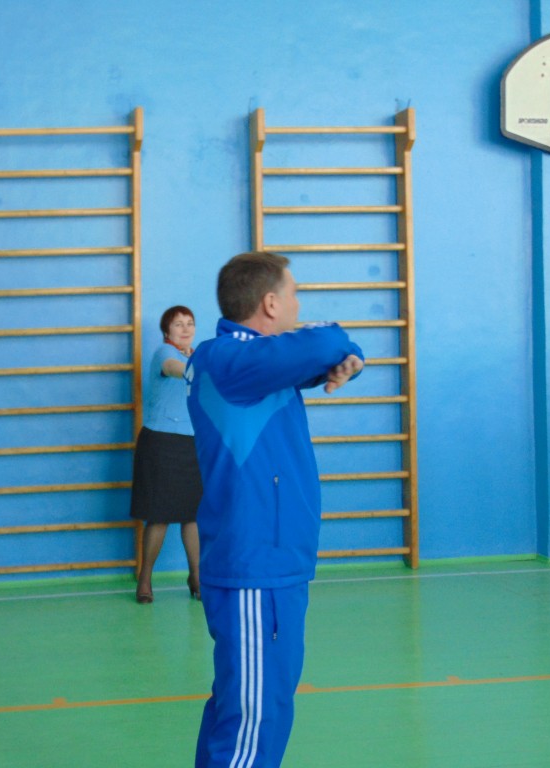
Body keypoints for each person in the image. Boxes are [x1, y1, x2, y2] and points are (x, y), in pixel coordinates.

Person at [186, 252, 364, 767]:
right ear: (269, 303)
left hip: (270, 566)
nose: (298, 305)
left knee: (245, 710)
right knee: (253, 723)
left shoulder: (254, 366)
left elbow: (333, 352)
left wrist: (351, 358)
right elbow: (327, 342)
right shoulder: (229, 360)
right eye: (293, 294)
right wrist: (341, 347)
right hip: (255, 567)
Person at [130, 305, 204, 604]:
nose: (185, 329)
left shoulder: (198, 356)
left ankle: (196, 577)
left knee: (193, 516)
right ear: (166, 331)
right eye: (178, 324)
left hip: (193, 444)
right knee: (159, 517)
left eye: (190, 323)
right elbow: (174, 368)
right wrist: (196, 370)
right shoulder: (165, 352)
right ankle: (145, 579)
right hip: (161, 443)